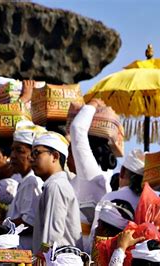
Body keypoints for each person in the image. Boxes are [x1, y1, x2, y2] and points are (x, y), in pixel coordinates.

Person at [67, 98, 118, 252]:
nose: (69, 156)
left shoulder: (91, 175)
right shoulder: (86, 178)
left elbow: (77, 130)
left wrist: (93, 104)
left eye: (71, 151)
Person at [31, 131, 82, 254]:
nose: (31, 158)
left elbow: (51, 238)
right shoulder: (54, 184)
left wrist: (43, 259)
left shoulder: (56, 186)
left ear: (54, 156)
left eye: (36, 153)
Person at [6, 120, 46, 250]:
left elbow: (29, 223)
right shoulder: (25, 181)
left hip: (24, 255)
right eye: (12, 150)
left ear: (33, 154)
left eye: (19, 151)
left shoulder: (31, 181)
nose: (12, 156)